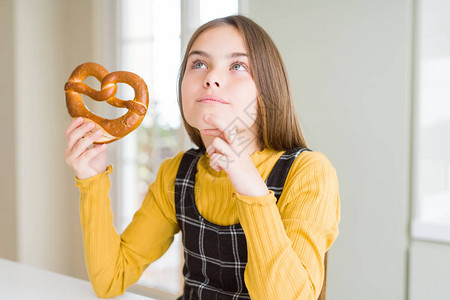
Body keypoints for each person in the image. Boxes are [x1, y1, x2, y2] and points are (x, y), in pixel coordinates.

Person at [64, 15, 340, 300]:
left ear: (267, 89)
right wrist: (92, 179)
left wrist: (251, 188)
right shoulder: (177, 173)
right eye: (199, 64)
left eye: (237, 65)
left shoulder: (309, 172)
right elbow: (110, 279)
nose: (211, 78)